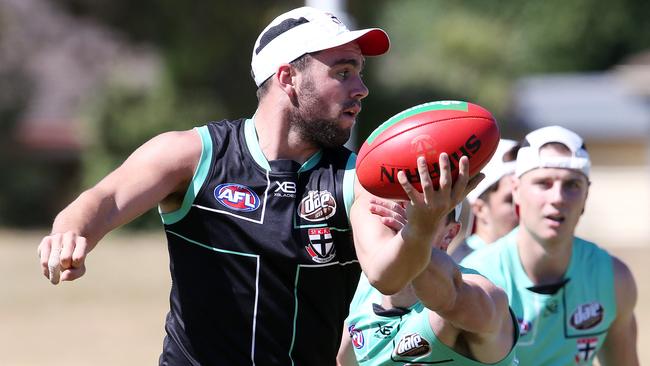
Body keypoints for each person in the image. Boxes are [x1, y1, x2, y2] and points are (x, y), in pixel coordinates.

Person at [37, 6, 479, 365]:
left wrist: (422, 225)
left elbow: (386, 273)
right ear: (288, 78)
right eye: (343, 72)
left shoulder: (355, 179)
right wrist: (70, 235)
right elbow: (102, 199)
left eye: (360, 73)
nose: (361, 89)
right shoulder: (193, 156)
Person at [461, 126, 639, 365]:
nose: (558, 198)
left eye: (572, 185)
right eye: (544, 183)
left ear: (586, 196)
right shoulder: (476, 278)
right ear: (516, 191)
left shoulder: (614, 278)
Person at [337, 201, 519, 365]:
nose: (400, 213)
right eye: (393, 202)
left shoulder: (473, 289)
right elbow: (344, 361)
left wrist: (413, 240)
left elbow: (460, 302)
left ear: (449, 235)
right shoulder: (365, 287)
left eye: (419, 210)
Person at [450, 139, 520, 262]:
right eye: (511, 200)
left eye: (524, 198)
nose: (522, 208)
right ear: (480, 209)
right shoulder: (464, 268)